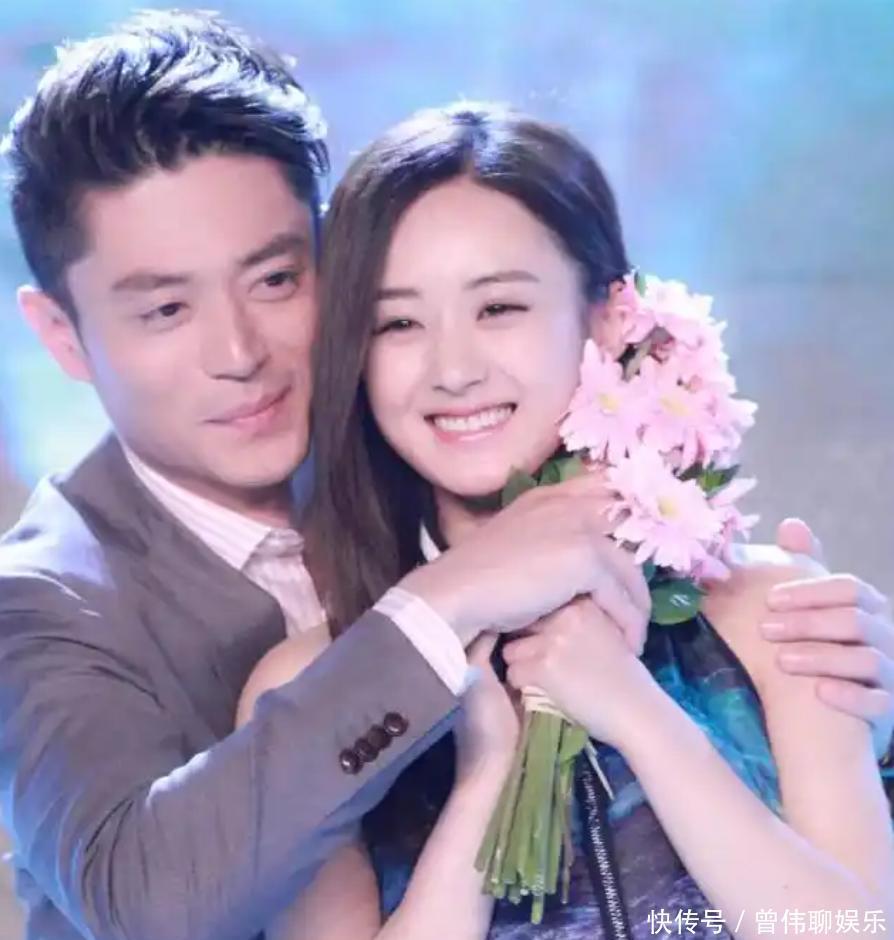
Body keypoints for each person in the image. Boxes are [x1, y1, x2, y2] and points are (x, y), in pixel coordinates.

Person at [0, 16, 661, 940]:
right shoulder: (39, 602)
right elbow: (145, 899)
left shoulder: (424, 441)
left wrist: (788, 640)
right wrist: (444, 603)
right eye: (166, 310)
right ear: (63, 335)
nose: (239, 354)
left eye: (275, 281)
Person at [239, 104, 894, 939]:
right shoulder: (313, 690)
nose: (452, 370)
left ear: (608, 316)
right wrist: (488, 774)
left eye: (499, 308)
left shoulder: (777, 615)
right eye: (397, 323)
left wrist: (640, 715)